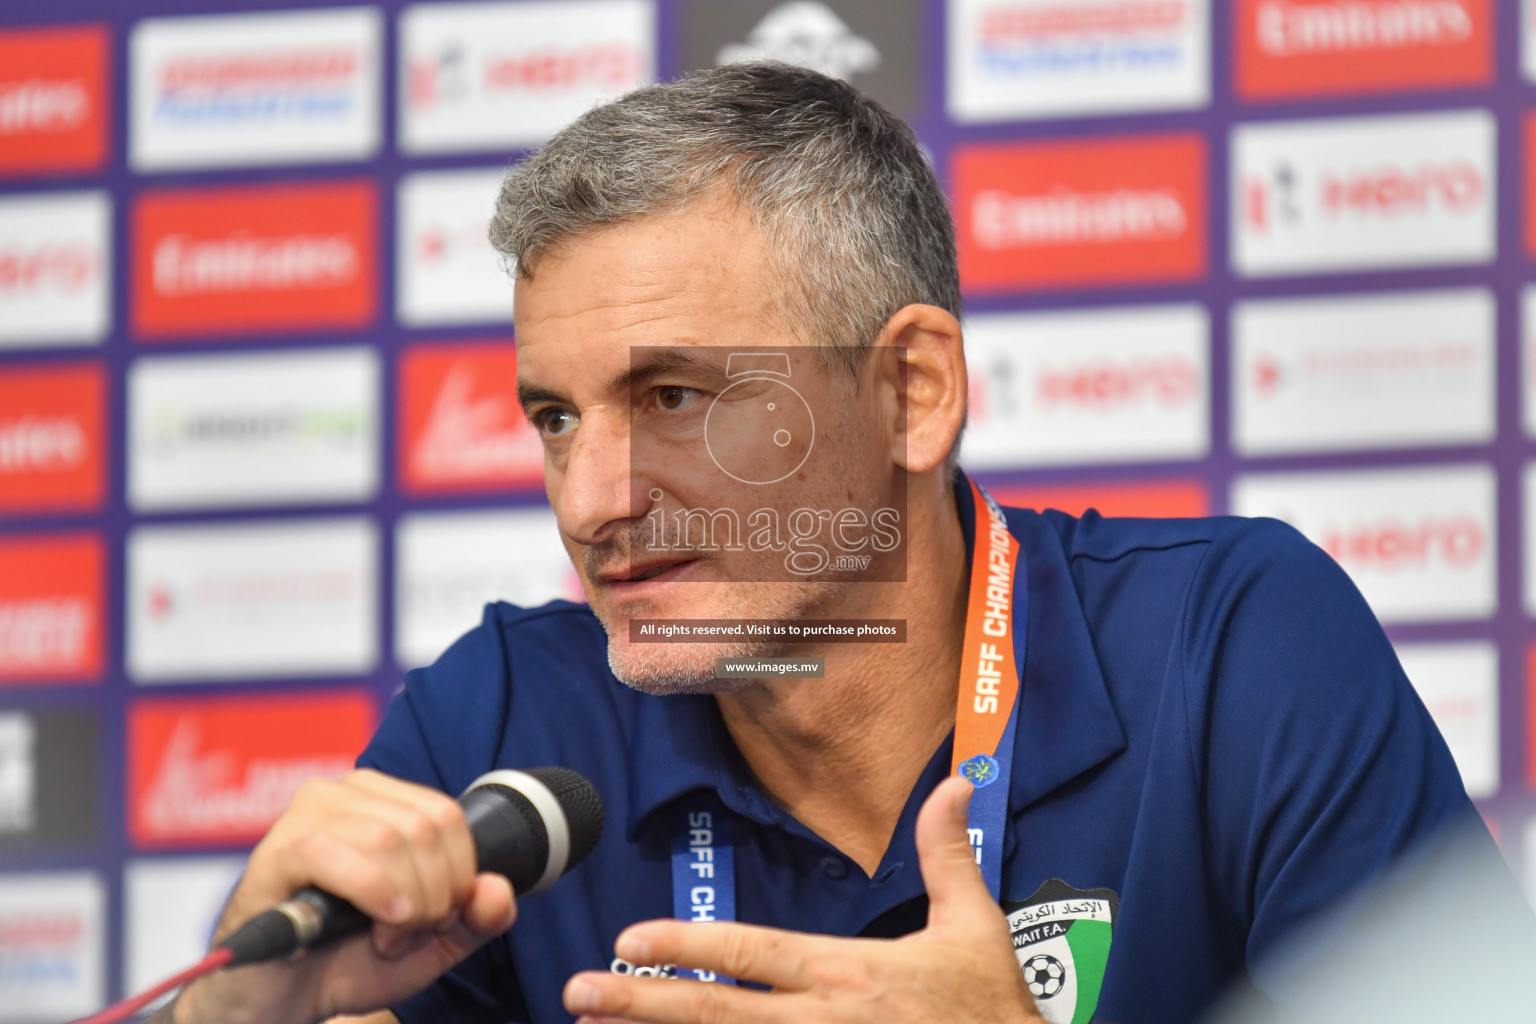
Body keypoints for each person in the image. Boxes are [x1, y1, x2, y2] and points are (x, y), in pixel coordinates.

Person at [165, 63, 1495, 1024]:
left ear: (910, 393)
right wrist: (234, 1018)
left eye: (674, 397)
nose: (592, 502)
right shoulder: (504, 725)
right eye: (557, 418)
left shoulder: (1231, 649)